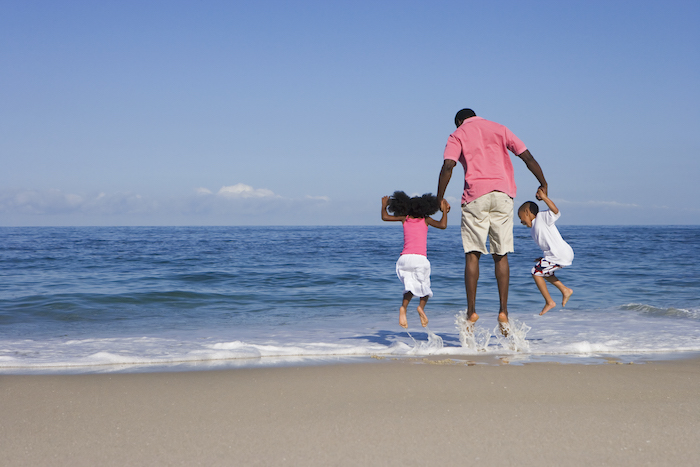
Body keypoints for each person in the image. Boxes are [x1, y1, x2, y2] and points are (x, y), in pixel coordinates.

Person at [436, 108, 548, 333]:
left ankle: (471, 312)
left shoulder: (457, 134)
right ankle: (503, 312)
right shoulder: (499, 128)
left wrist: (438, 198)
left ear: (459, 121)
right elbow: (527, 156)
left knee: (473, 254)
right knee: (501, 255)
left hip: (475, 196)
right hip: (503, 195)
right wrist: (543, 183)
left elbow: (448, 165)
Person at [381, 191, 449, 329]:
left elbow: (385, 217)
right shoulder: (425, 219)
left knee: (410, 287)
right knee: (425, 287)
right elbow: (443, 225)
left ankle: (403, 309)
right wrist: (445, 211)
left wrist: (384, 205)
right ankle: (421, 308)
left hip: (404, 259)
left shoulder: (404, 218)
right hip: (419, 259)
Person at [518, 188, 574, 315]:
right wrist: (543, 258)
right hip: (556, 254)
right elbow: (547, 244)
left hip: (561, 254)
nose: (521, 221)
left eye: (520, 217)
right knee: (545, 273)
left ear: (527, 212)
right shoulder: (533, 230)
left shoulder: (541, 217)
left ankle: (549, 302)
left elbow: (556, 212)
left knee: (536, 272)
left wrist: (544, 197)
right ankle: (565, 290)